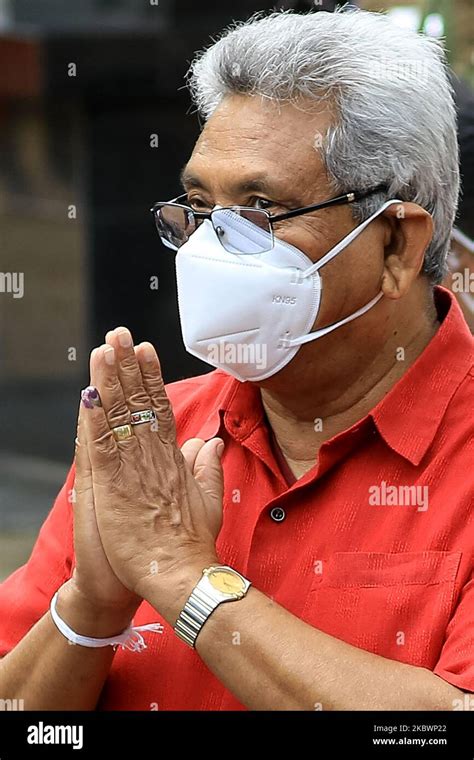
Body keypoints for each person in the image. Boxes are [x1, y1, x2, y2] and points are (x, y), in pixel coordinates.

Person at [0, 8, 472, 711]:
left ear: (397, 246)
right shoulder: (151, 443)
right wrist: (90, 611)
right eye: (197, 206)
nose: (209, 250)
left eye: (259, 210)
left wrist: (189, 581)